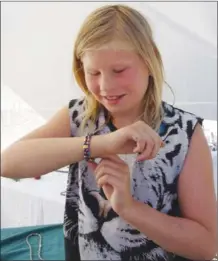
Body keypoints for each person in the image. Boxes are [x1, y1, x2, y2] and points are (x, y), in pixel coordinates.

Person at [1, 4, 217, 261]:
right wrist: (102, 144)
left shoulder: (186, 133)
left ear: (150, 62)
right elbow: (8, 163)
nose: (105, 86)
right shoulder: (79, 116)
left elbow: (206, 247)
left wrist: (129, 208)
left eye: (119, 70)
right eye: (93, 72)